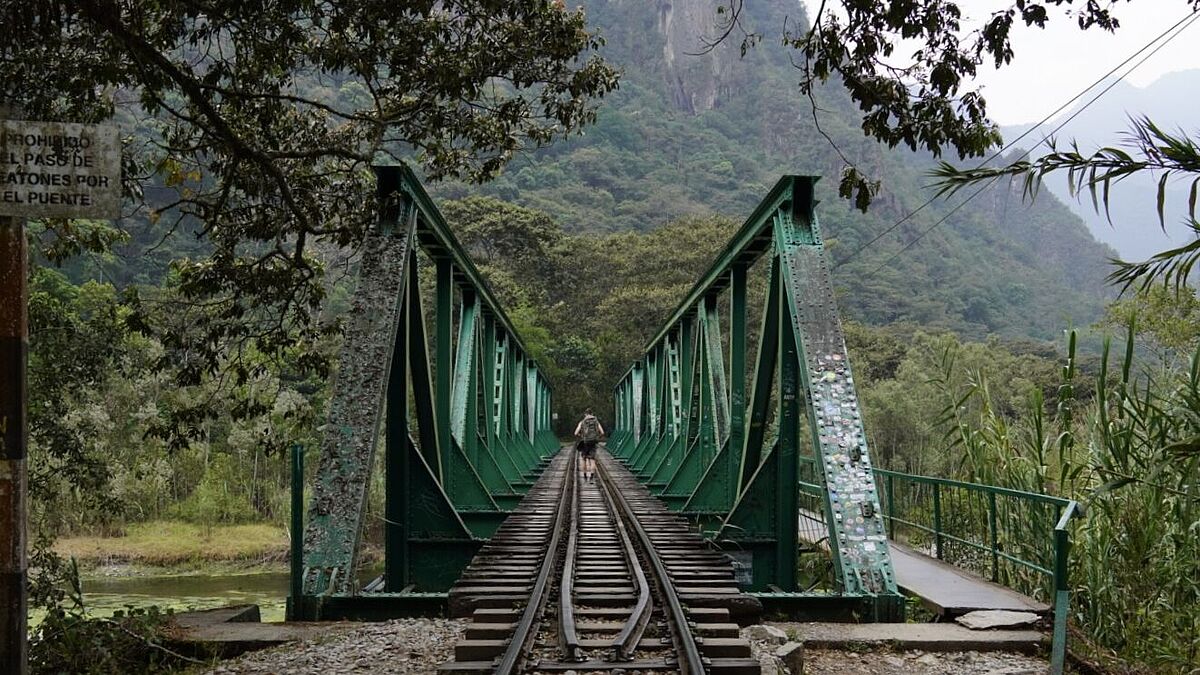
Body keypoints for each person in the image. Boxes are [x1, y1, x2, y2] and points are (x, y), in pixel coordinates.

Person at [573, 408, 604, 481]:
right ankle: (592, 477)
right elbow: (602, 432)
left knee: (584, 459)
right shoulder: (596, 421)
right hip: (593, 442)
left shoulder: (582, 422)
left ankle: (585, 476)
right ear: (592, 414)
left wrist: (581, 436)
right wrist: (597, 437)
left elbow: (575, 433)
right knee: (592, 460)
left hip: (585, 442)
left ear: (585, 414)